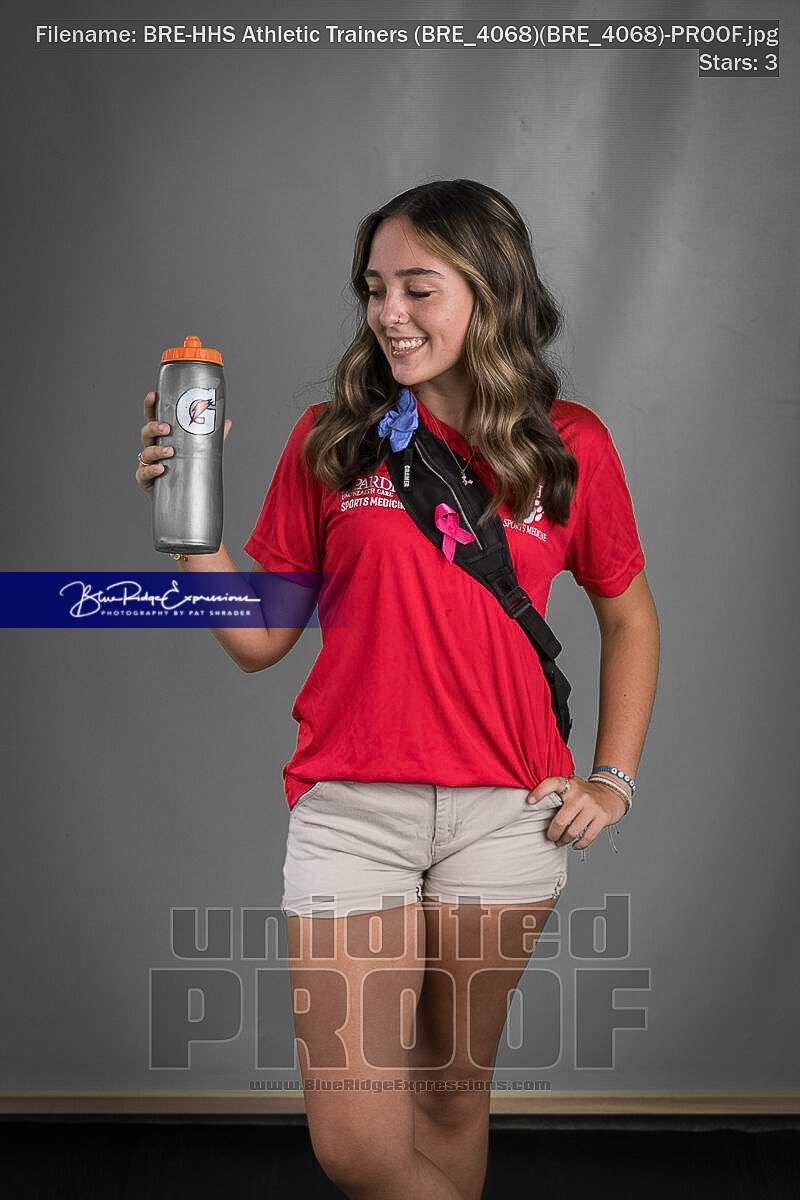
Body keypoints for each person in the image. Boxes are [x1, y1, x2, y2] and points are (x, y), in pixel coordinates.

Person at [136, 179, 660, 1200]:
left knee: (451, 1098)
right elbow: (259, 640)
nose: (389, 314)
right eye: (375, 289)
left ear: (491, 292)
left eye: (419, 289)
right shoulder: (331, 438)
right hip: (351, 811)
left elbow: (629, 616)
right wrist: (188, 535)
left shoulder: (569, 445)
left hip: (508, 813)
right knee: (357, 1146)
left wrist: (614, 779)